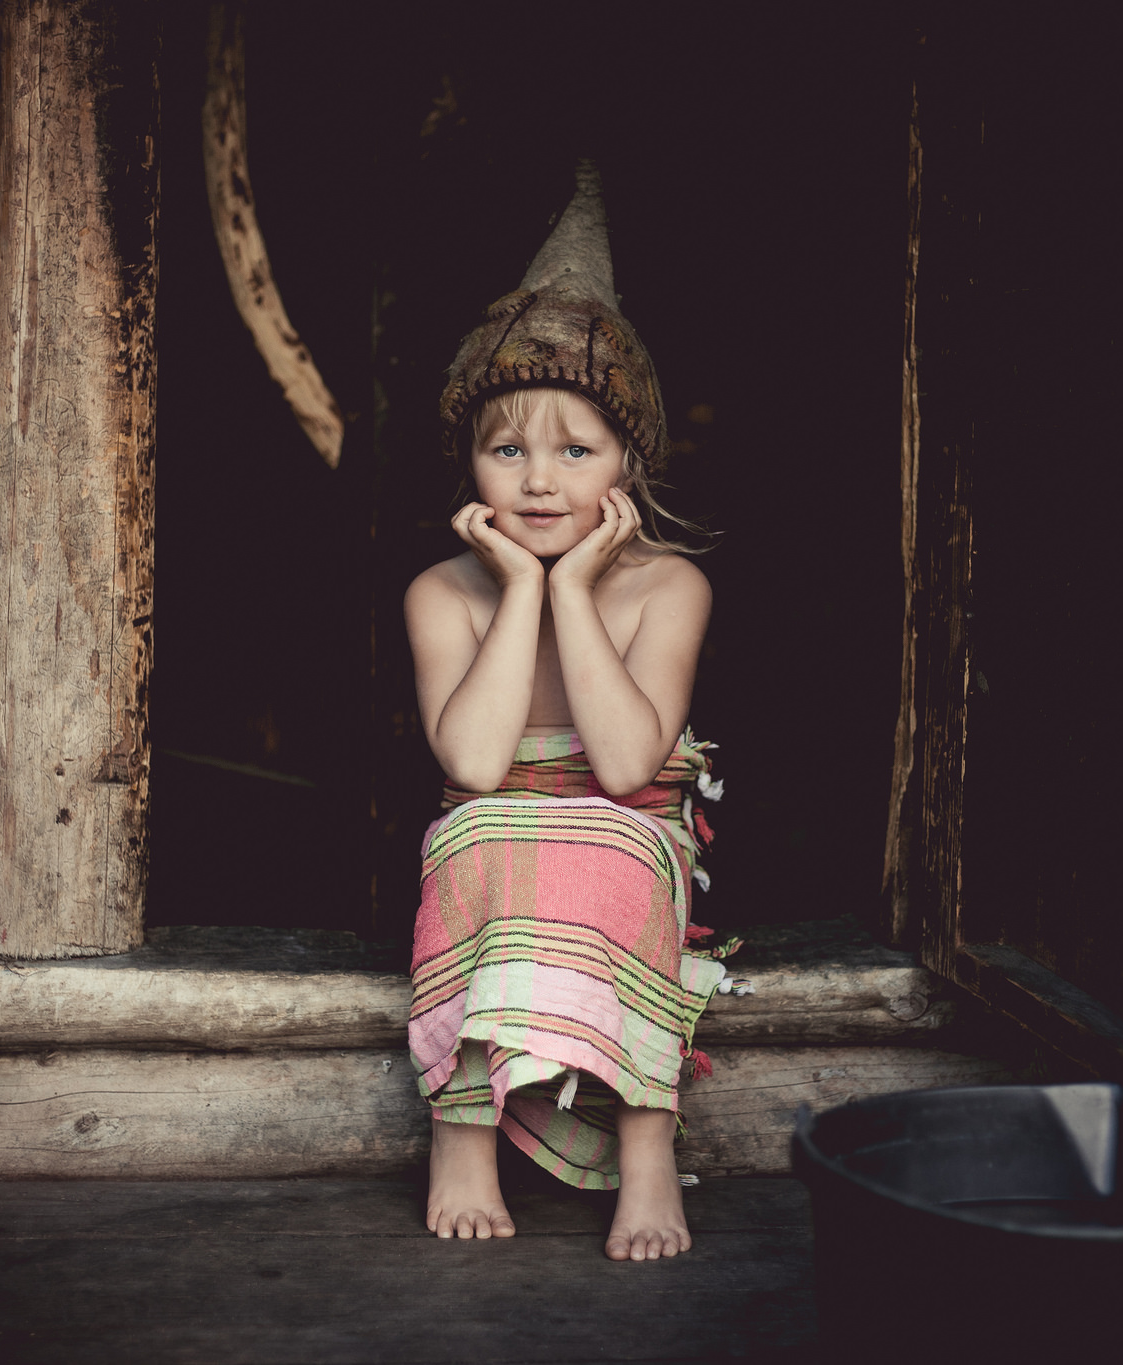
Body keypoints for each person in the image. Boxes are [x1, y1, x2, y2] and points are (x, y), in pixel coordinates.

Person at [404, 162, 732, 1261]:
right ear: (470, 465)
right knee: (474, 839)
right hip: (497, 815)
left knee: (621, 850)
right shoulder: (443, 595)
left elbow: (634, 760)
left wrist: (577, 591)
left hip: (628, 821)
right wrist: (523, 591)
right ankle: (463, 1128)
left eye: (575, 452)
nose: (538, 484)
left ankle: (647, 1151)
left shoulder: (666, 586)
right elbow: (477, 760)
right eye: (507, 451)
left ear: (627, 466)